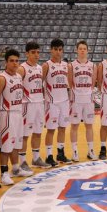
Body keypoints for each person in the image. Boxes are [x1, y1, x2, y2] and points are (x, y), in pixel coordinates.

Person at [0, 49, 28, 186]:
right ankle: (4, 173)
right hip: (6, 114)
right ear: (6, 62)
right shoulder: (2, 78)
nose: (14, 64)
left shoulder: (19, 77)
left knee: (16, 144)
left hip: (18, 113)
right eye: (11, 61)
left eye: (16, 61)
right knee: (6, 146)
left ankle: (15, 168)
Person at [17, 42, 51, 172]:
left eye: (38, 52)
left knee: (37, 132)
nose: (36, 55)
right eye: (33, 52)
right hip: (27, 105)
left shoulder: (39, 68)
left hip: (39, 103)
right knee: (25, 134)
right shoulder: (22, 69)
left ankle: (36, 158)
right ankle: (22, 161)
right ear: (27, 53)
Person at [42, 38, 71, 166]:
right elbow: (40, 83)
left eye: (60, 50)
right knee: (51, 129)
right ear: (51, 50)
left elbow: (68, 83)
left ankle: (60, 153)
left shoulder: (66, 65)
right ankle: (49, 155)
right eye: (55, 49)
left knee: (62, 128)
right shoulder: (46, 65)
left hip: (64, 101)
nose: (58, 52)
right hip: (51, 102)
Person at [68, 40, 97, 162]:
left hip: (88, 99)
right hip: (76, 99)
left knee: (89, 125)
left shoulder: (93, 66)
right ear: (77, 50)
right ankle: (74, 151)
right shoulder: (71, 65)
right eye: (80, 48)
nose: (82, 50)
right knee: (74, 125)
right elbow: (70, 82)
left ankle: (91, 150)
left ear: (87, 50)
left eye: (84, 48)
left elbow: (93, 81)